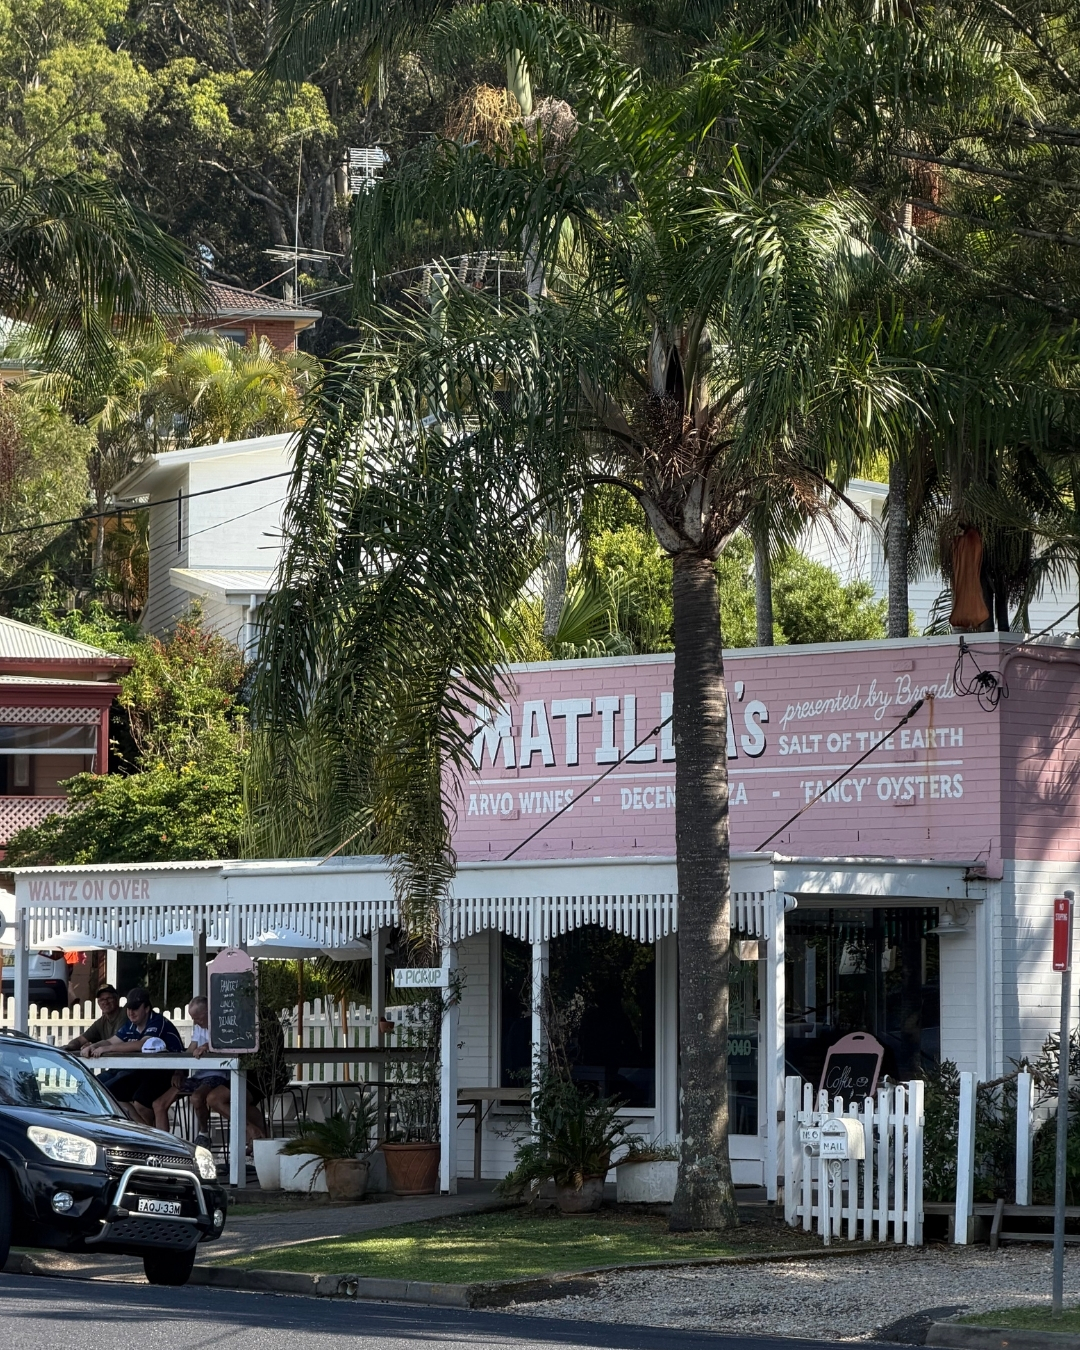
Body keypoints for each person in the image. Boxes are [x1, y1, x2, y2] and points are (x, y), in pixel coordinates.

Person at [83, 986, 183, 1129]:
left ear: (147, 1008)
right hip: (146, 1070)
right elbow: (112, 1040)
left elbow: (141, 1044)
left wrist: (106, 1048)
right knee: (112, 1094)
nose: (131, 1012)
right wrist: (93, 1046)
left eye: (135, 1008)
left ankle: (156, 1139)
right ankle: (147, 1133)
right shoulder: (130, 1025)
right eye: (129, 1008)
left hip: (171, 1071)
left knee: (141, 1102)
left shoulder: (157, 1021)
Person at [64, 985, 124, 1053]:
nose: (105, 1002)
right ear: (98, 1003)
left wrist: (93, 1046)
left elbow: (116, 1041)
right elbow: (81, 1040)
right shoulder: (101, 1022)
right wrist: (67, 1047)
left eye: (109, 998)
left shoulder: (125, 1014)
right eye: (102, 1000)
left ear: (116, 999)